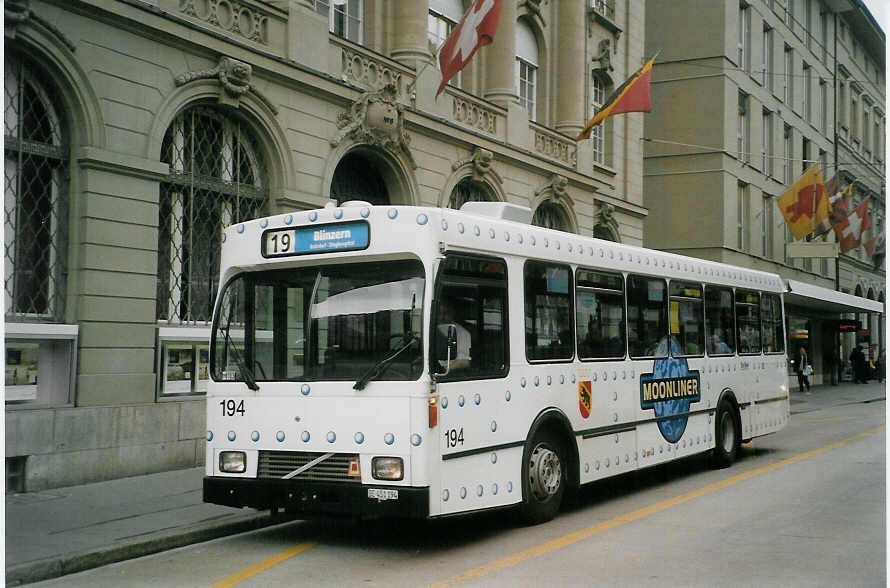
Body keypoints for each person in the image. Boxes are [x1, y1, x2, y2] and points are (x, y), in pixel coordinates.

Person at [437, 301, 471, 373]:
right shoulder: (431, 329)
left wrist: (443, 371)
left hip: (448, 372)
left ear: (452, 313)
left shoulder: (463, 333)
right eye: (439, 313)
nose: (442, 317)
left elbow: (463, 361)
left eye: (446, 313)